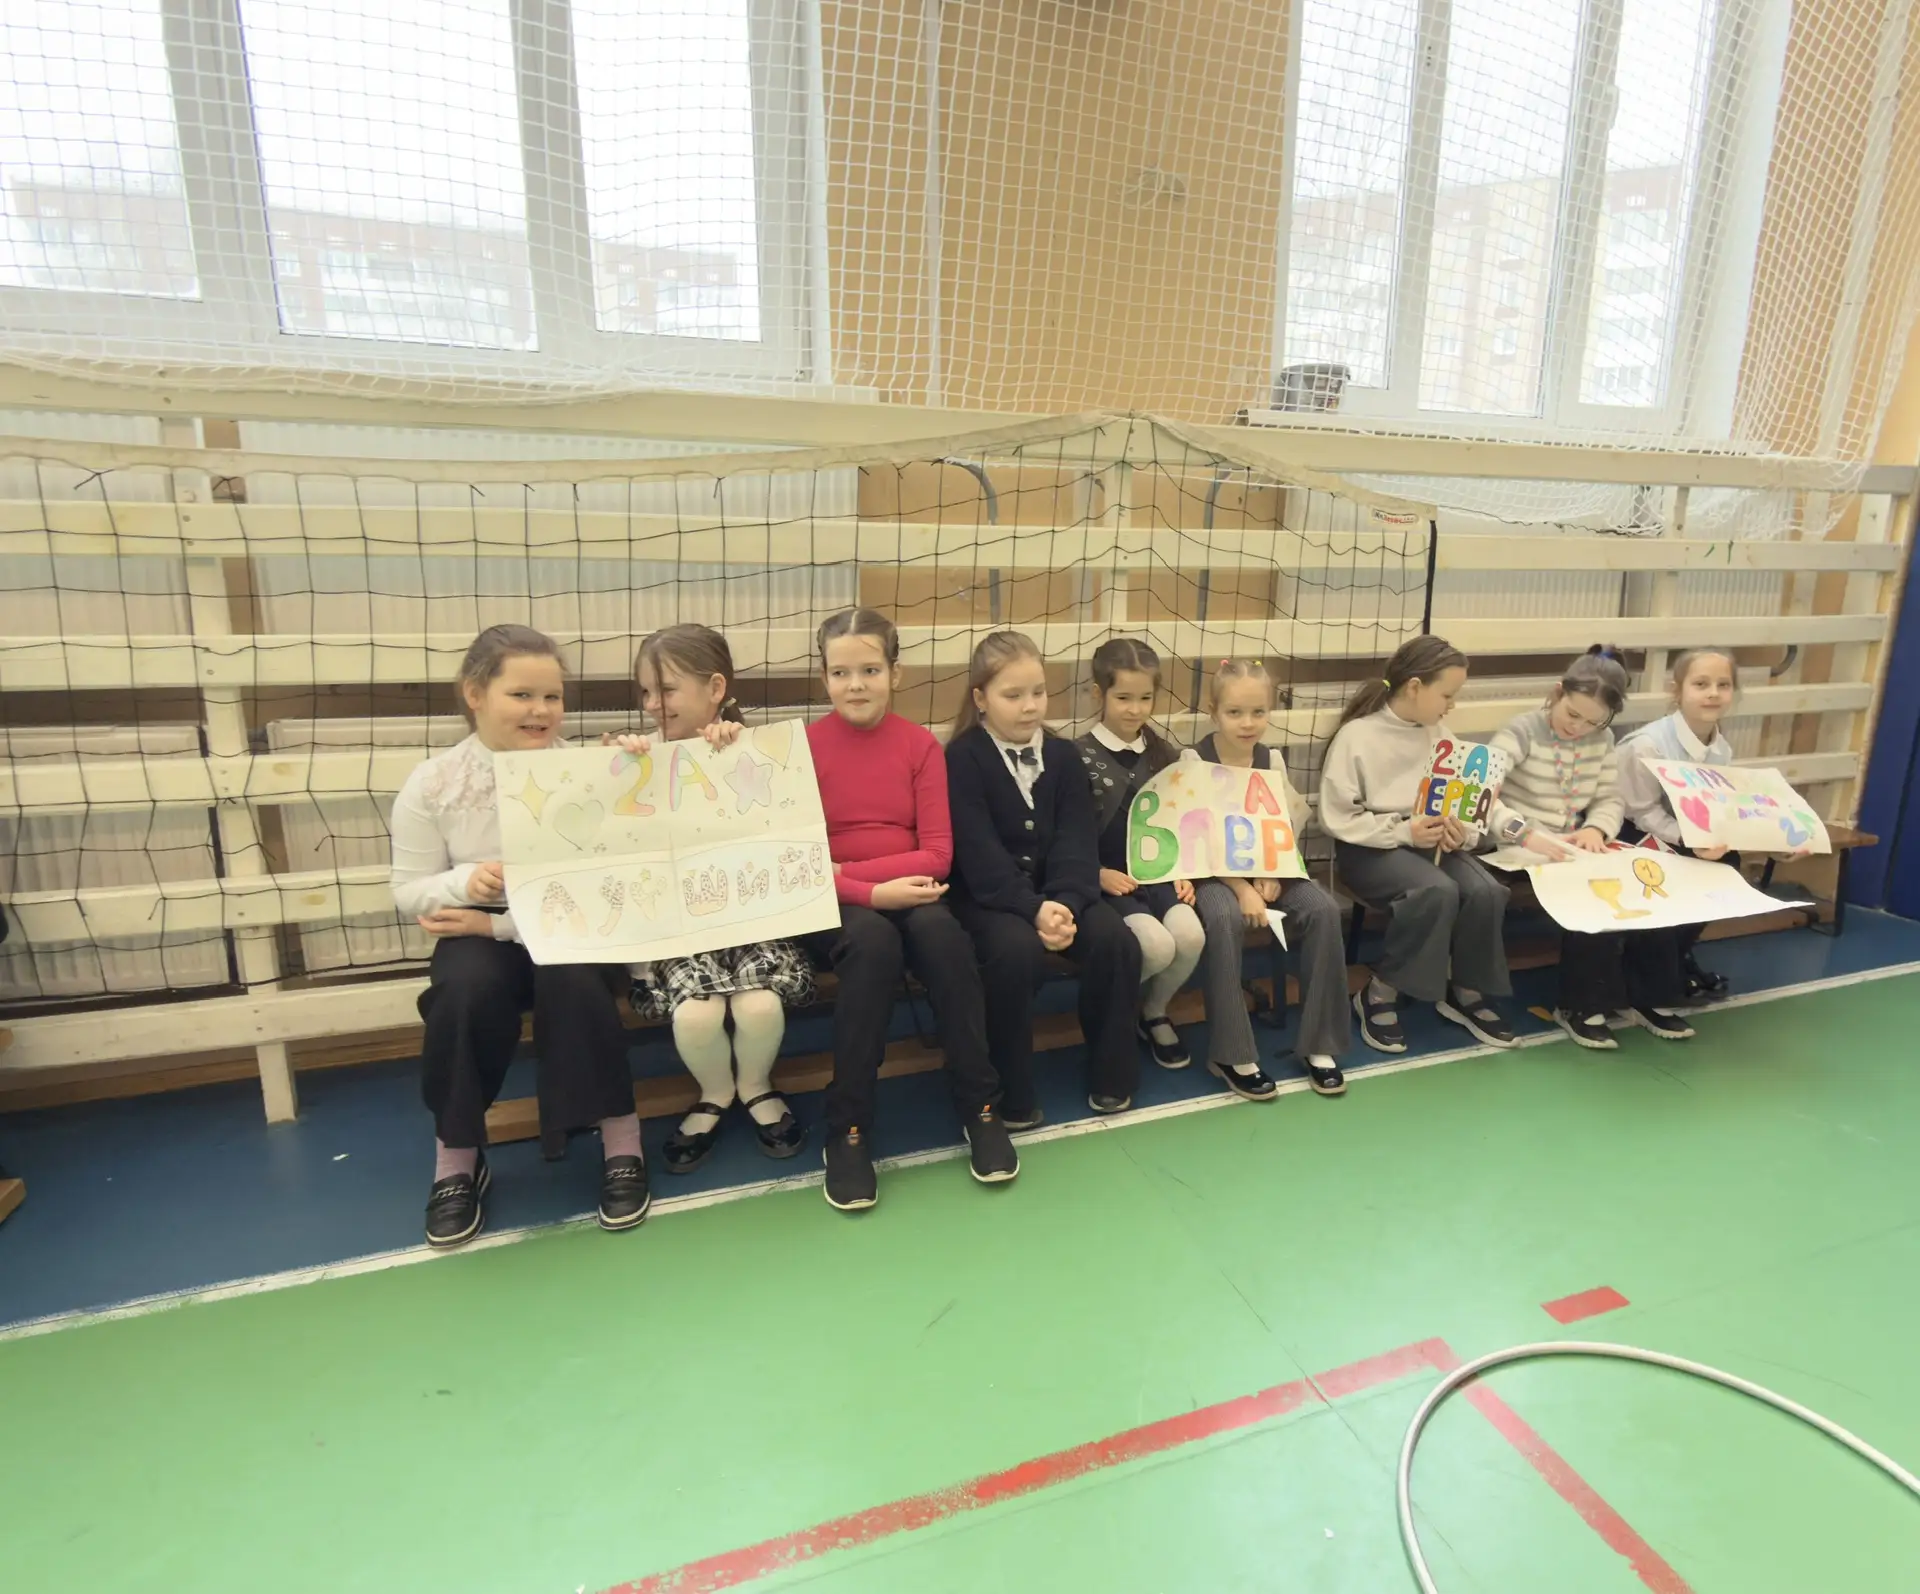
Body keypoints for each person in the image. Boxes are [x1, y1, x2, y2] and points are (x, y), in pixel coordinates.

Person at [390, 623, 647, 1247]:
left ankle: (622, 1140)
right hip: (480, 935)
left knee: (576, 980)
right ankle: (457, 1158)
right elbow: (408, 890)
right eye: (522, 695)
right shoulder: (434, 783)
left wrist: (633, 767)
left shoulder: (585, 772)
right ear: (475, 694)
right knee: (462, 991)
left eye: (552, 697)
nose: (540, 711)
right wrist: (465, 882)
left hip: (569, 924)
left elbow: (606, 883)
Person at [804, 607, 1017, 1212]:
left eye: (870, 670)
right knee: (873, 945)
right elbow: (801, 864)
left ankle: (981, 1106)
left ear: (895, 674)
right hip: (837, 904)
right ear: (825, 678)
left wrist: (856, 873)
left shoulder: (921, 746)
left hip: (907, 887)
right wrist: (867, 892)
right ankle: (847, 1128)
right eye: (841, 673)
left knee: (944, 940)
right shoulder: (802, 749)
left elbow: (939, 855)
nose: (856, 685)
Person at [620, 624, 812, 1172]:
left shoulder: (747, 751)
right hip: (679, 934)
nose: (653, 704)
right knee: (696, 1018)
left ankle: (754, 1085)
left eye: (667, 690)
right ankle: (716, 1091)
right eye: (646, 692)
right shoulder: (641, 758)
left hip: (750, 923)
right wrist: (625, 767)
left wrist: (736, 752)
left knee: (760, 1004)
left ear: (716, 688)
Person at [946, 630, 1143, 1122]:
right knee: (1015, 952)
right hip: (991, 900)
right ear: (981, 699)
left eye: (1038, 692)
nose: (1030, 706)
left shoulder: (1062, 757)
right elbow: (978, 854)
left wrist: (1066, 904)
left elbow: (1077, 842)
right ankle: (1011, 1089)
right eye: (1013, 695)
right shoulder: (961, 759)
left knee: (1115, 941)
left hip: (1060, 895)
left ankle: (1112, 1074)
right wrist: (1033, 909)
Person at [1321, 634, 1546, 1055]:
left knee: (1486, 891)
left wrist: (1463, 831)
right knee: (1435, 890)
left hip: (1428, 843)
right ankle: (1379, 992)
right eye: (1447, 694)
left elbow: (1465, 801)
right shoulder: (1356, 737)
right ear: (1414, 687)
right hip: (1370, 848)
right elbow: (1338, 818)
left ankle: (1466, 989)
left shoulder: (1438, 733)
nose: (1452, 705)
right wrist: (1405, 832)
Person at [1491, 647, 1694, 1048]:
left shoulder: (1602, 740)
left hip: (1574, 846)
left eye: (1593, 721)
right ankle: (1579, 1005)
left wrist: (1597, 829)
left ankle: (1644, 996)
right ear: (1557, 693)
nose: (1579, 727)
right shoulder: (1520, 731)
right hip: (1517, 847)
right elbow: (1483, 794)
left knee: (1647, 887)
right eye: (1572, 714)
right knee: (1593, 897)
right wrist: (1524, 833)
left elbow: (1609, 798)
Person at [1191, 658, 1353, 1096]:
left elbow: (1282, 823)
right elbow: (1195, 839)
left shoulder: (1271, 760)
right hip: (1213, 876)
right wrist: (1242, 887)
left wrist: (1272, 871)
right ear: (1213, 711)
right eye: (1235, 712)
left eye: (1258, 712)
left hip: (1270, 868)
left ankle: (1320, 1044)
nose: (1248, 723)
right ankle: (1231, 1053)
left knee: (1323, 910)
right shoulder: (1194, 761)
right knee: (1223, 917)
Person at [1071, 639, 1206, 1072]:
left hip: (1158, 874)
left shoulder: (1164, 753)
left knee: (1190, 936)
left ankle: (1154, 1010)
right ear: (1099, 694)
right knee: (1155, 945)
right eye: (1123, 698)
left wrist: (1183, 869)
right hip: (1108, 883)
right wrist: (1096, 873)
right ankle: (1113, 1012)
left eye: (1145, 698)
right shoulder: (1075, 756)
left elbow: (1178, 819)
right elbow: (1065, 834)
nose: (1135, 709)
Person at [1615, 646, 1742, 1003]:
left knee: (1726, 864)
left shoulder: (1721, 749)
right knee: (1664, 874)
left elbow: (1714, 805)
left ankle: (1676, 956)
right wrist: (1690, 840)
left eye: (1723, 684)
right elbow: (1640, 812)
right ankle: (1647, 983)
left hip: (1678, 832)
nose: (1713, 693)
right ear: (1678, 690)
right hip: (1628, 831)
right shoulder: (1647, 745)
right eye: (1701, 684)